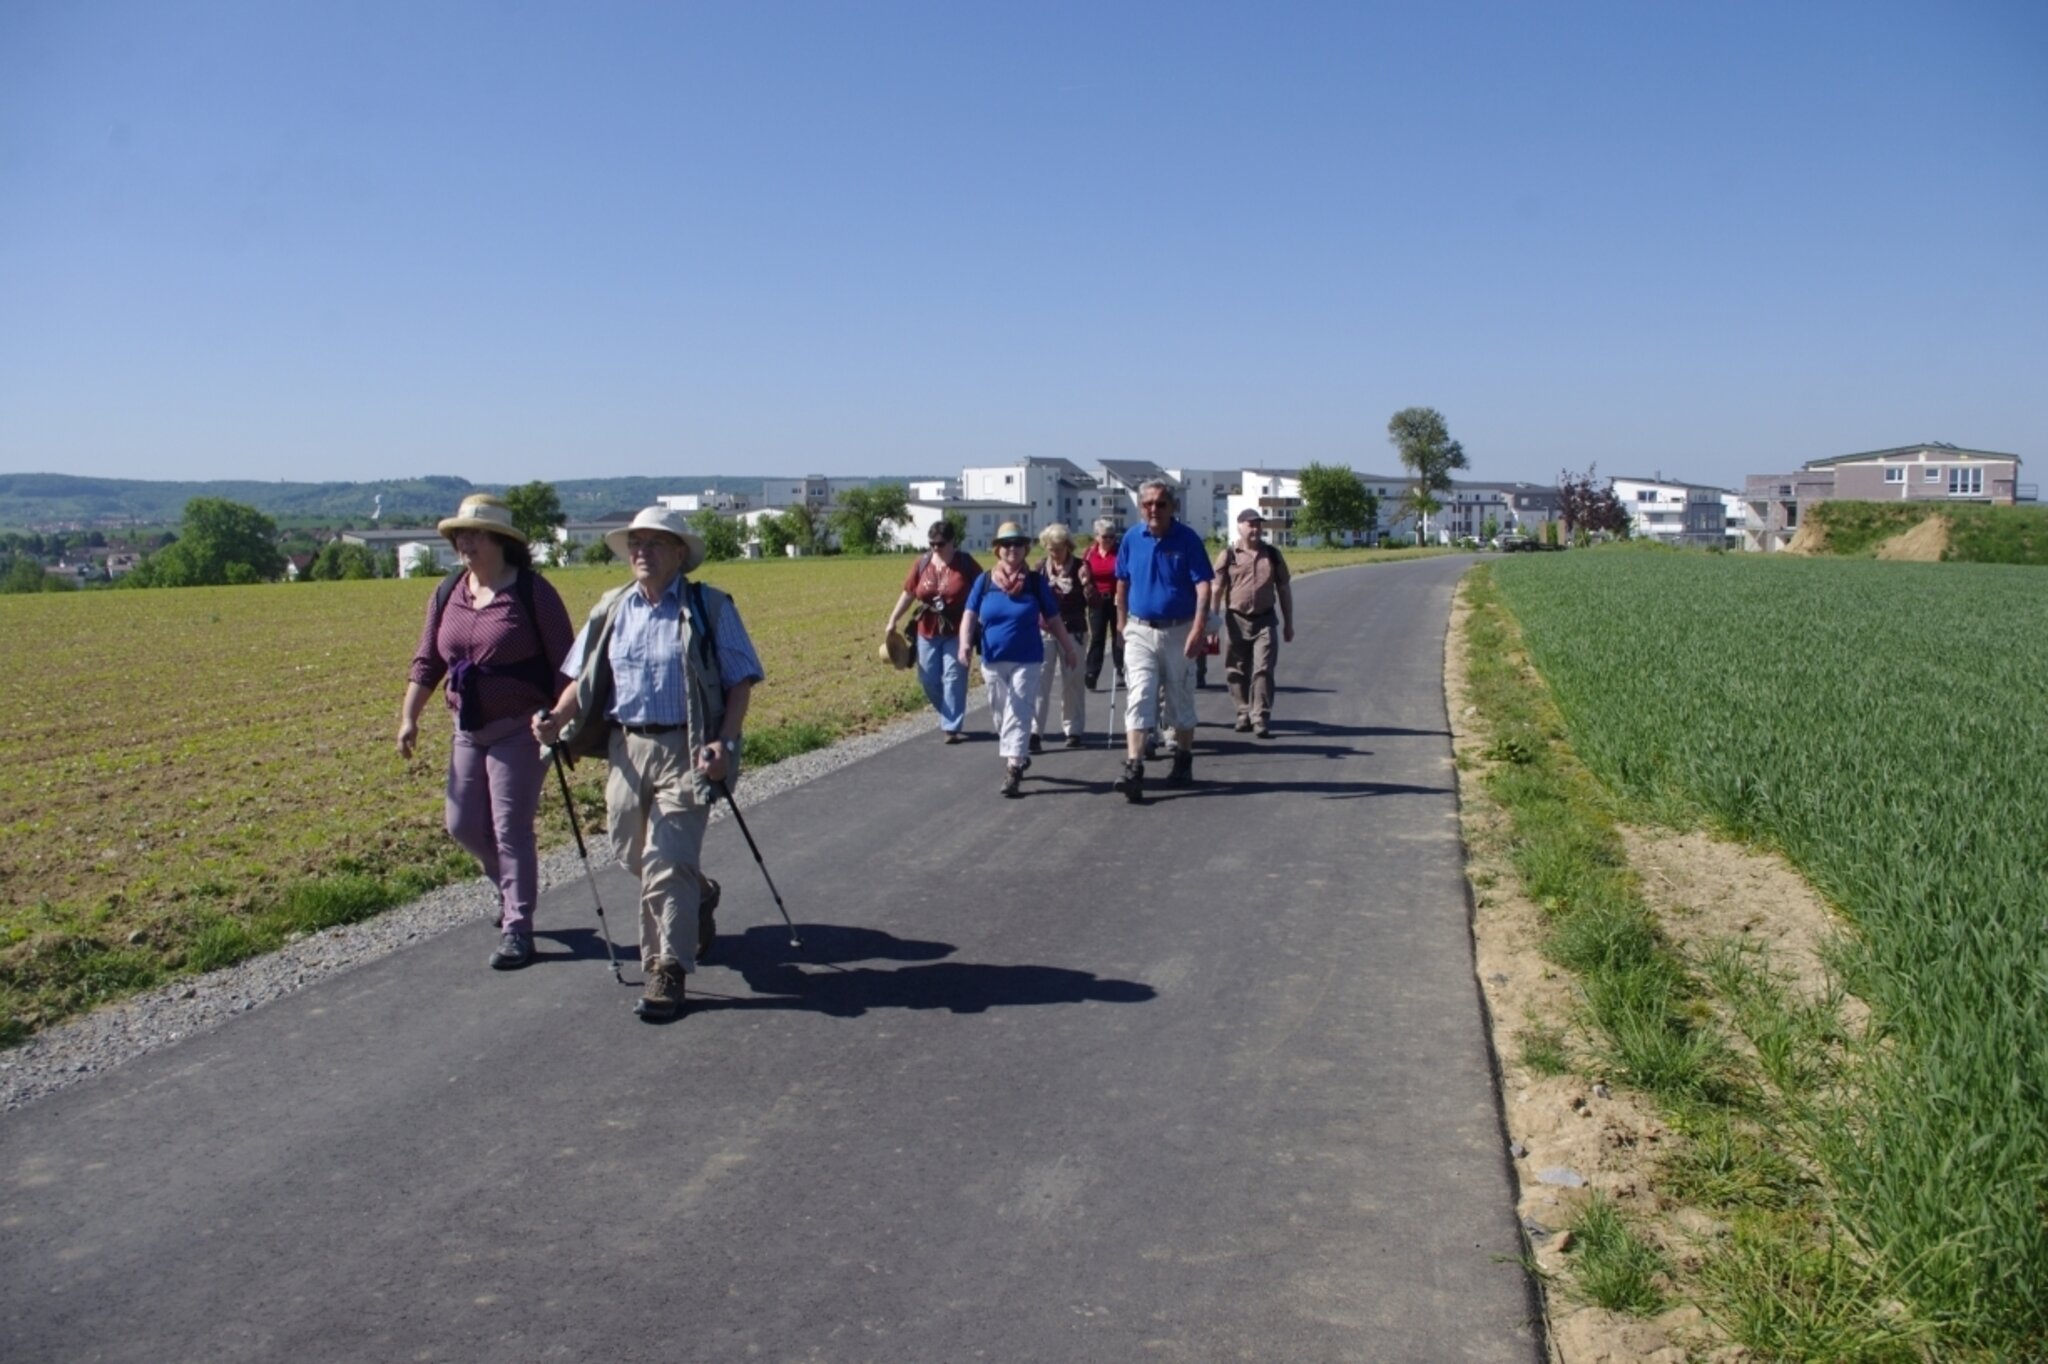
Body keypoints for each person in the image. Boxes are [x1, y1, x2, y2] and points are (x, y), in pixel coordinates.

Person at [533, 507, 766, 1021]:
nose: (642, 551)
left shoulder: (709, 606)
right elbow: (581, 678)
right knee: (630, 853)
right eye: (636, 543)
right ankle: (699, 894)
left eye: (655, 543)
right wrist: (555, 719)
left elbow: (740, 681)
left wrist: (725, 744)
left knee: (665, 863)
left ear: (679, 553)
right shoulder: (612, 608)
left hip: (688, 748)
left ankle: (667, 969)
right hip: (627, 750)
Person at [398, 494, 574, 970]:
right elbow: (428, 661)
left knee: (510, 828)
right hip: (467, 727)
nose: (465, 543)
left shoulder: (533, 593)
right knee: (462, 824)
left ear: (500, 541)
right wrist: (410, 717)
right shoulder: (448, 592)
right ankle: (508, 887)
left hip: (521, 728)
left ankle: (518, 928)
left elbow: (569, 664)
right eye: (460, 535)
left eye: (474, 534)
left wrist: (560, 717)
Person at [959, 522, 1080, 798]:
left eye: (1017, 544)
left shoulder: (1035, 582)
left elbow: (1053, 619)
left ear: (1025, 548)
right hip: (993, 658)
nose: (1012, 549)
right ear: (997, 550)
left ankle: (1013, 767)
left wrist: (1069, 648)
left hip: (1028, 659)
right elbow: (969, 615)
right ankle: (1019, 752)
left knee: (1020, 710)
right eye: (1006, 544)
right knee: (1001, 713)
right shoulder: (985, 581)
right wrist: (964, 643)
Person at [1112, 480, 1214, 802]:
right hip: (1140, 630)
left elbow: (1203, 586)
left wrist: (1199, 628)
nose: (1153, 509)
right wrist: (1121, 624)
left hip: (1179, 630)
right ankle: (1134, 768)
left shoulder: (1187, 539)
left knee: (1179, 698)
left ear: (1173, 507)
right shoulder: (1131, 538)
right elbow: (1122, 583)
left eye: (1160, 504)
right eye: (1148, 504)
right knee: (1140, 694)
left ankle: (1183, 760)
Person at [884, 521, 982, 744]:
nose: (936, 548)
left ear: (952, 542)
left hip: (958, 629)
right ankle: (949, 713)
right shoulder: (922, 563)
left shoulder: (965, 563)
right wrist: (893, 620)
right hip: (927, 629)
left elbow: (982, 591)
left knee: (954, 677)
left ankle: (951, 727)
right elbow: (909, 593)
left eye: (940, 544)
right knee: (928, 679)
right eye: (932, 544)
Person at [1214, 508, 1296, 739]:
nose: (1256, 529)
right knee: (1236, 670)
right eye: (1251, 524)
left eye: (1258, 524)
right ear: (1239, 526)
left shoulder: (1272, 555)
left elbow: (1284, 589)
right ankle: (1243, 712)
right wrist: (1211, 622)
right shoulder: (1228, 555)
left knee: (1263, 669)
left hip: (1265, 620)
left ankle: (1260, 717)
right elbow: (1216, 589)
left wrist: (1288, 623)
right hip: (1236, 620)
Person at [1030, 522, 1095, 752]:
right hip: (1045, 631)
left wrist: (1087, 584)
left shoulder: (1081, 567)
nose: (1055, 554)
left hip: (1073, 630)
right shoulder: (1040, 569)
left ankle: (1073, 729)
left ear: (1068, 546)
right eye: (1050, 549)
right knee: (1039, 681)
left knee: (1073, 681)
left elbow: (1094, 603)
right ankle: (1034, 732)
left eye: (1058, 549)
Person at [1081, 518, 1124, 691]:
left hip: (1117, 599)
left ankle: (1120, 669)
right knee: (1097, 637)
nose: (1109, 540)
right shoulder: (1089, 553)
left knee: (1118, 634)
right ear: (1097, 537)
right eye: (1105, 536)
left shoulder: (1120, 552)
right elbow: (1084, 574)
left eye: (1112, 536)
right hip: (1097, 600)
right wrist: (1085, 582)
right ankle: (1091, 673)